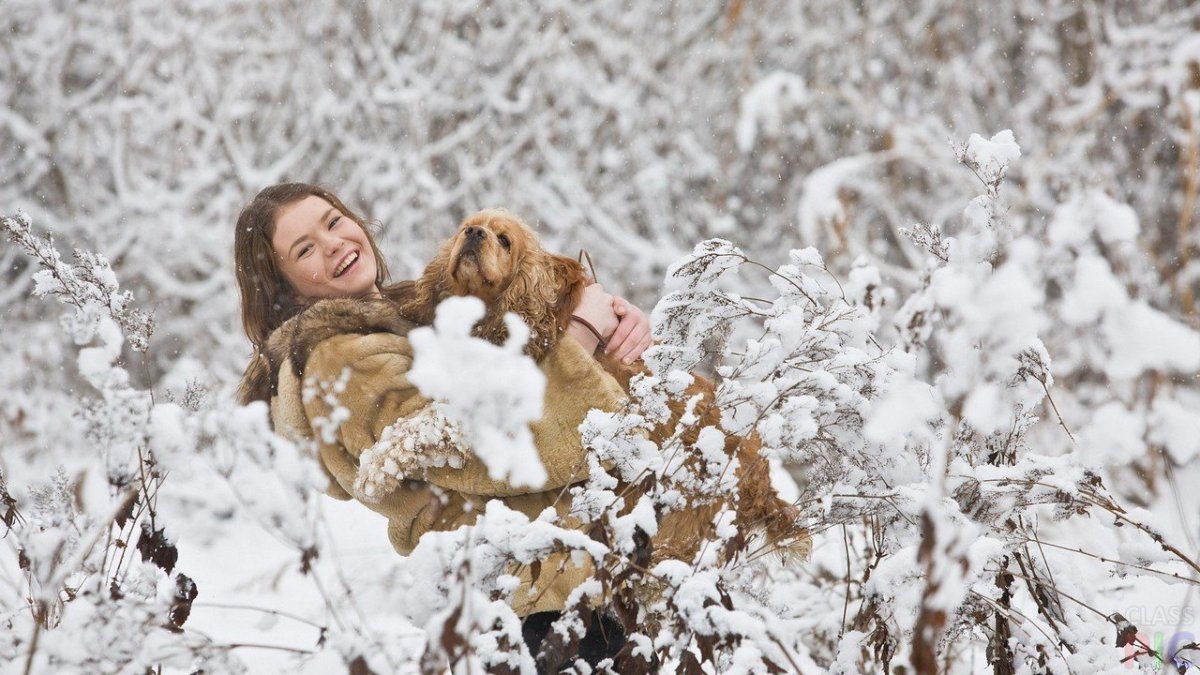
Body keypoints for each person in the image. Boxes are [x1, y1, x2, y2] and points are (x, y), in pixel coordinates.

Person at [234, 183, 648, 671]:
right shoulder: (338, 360)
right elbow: (482, 450)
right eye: (304, 249)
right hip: (531, 599)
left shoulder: (418, 315)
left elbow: (525, 349)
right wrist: (583, 337)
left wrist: (613, 322)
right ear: (283, 287)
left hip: (573, 573)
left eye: (332, 221)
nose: (332, 244)